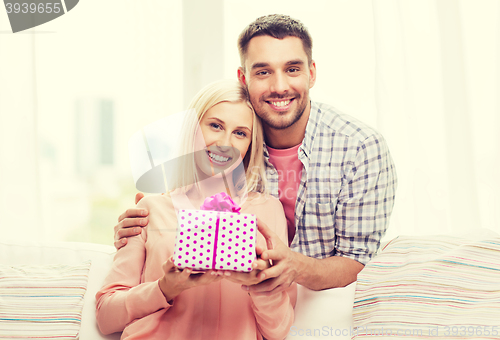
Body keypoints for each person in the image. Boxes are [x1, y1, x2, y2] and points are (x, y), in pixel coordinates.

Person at [114, 14, 397, 294]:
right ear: (243, 77)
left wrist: (294, 267)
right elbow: (189, 204)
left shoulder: (361, 148)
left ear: (311, 73)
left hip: (320, 307)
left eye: (292, 69)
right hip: (245, 310)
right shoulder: (233, 138)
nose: (279, 87)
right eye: (263, 72)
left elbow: (359, 260)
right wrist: (139, 230)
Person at [96, 79, 296, 340]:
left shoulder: (267, 211)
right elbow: (105, 317)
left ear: (250, 144)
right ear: (193, 129)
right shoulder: (150, 210)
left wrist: (259, 285)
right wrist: (164, 288)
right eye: (215, 126)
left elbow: (278, 332)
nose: (225, 142)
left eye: (240, 133)